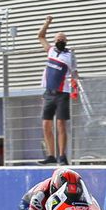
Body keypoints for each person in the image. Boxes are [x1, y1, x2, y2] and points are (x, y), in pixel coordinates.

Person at [38, 15, 77, 165]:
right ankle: (51, 155)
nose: (60, 41)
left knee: (61, 124)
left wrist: (76, 87)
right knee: (46, 124)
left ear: (66, 41)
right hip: (49, 92)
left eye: (62, 39)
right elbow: (40, 36)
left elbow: (75, 73)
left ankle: (62, 155)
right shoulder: (51, 51)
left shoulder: (70, 55)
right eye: (58, 39)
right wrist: (47, 22)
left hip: (63, 93)